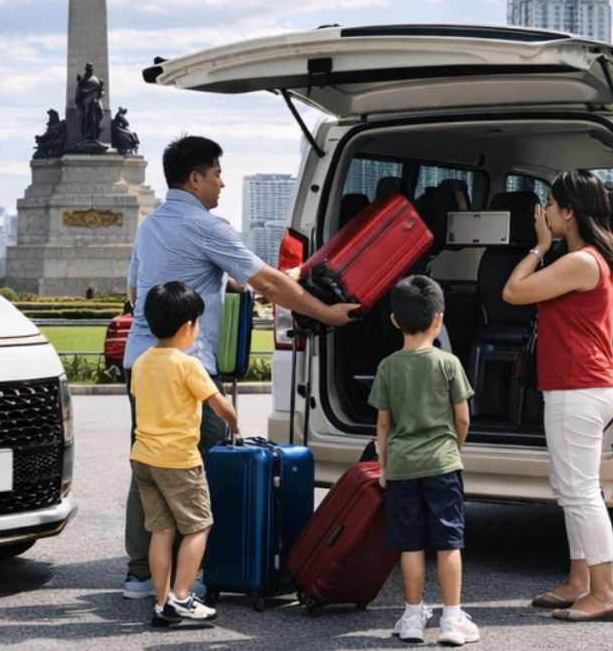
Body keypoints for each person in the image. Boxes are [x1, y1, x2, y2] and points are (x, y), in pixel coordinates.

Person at [119, 134, 359, 600]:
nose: (222, 183)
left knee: (149, 460)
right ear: (195, 178)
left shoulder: (150, 226)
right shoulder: (207, 225)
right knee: (199, 468)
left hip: (142, 364)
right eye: (216, 174)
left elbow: (135, 292)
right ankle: (200, 571)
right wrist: (327, 313)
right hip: (188, 367)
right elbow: (266, 280)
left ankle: (141, 573)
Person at [501, 169, 613, 623]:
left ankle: (605, 591)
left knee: (578, 492)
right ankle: (580, 581)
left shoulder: (579, 262)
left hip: (578, 386)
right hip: (585, 385)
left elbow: (512, 291)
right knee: (574, 489)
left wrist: (538, 247)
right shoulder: (591, 257)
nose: (547, 212)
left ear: (570, 213)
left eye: (552, 205)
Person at [372, 275, 480, 645]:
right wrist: (455, 449)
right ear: (440, 320)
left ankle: (413, 618)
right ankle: (451, 620)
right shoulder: (448, 364)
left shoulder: (388, 367)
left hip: (402, 468)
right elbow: (462, 418)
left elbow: (383, 423)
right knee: (449, 543)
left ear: (394, 320)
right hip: (442, 464)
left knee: (411, 545)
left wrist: (385, 466)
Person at [130, 281, 238, 627]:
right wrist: (235, 423)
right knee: (198, 526)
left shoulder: (142, 363)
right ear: (189, 325)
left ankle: (162, 603)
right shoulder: (188, 365)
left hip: (144, 458)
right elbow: (219, 406)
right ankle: (182, 597)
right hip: (178, 460)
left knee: (162, 530)